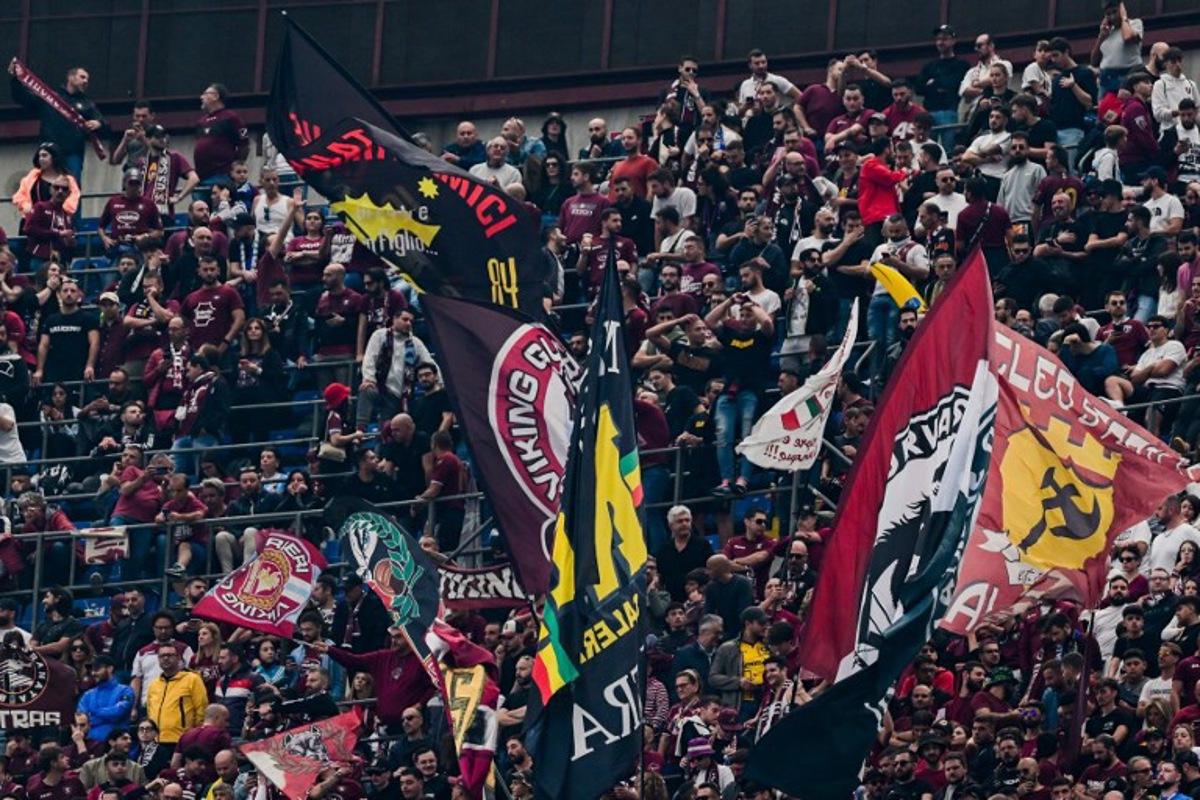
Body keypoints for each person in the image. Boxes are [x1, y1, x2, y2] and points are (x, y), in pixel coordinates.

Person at [8, 63, 106, 181]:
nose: (86, 81)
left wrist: (99, 123)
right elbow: (23, 98)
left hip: (73, 153)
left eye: (87, 79)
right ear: (70, 77)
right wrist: (15, 79)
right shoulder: (51, 97)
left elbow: (103, 123)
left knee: (72, 186)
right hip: (49, 151)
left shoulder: (87, 104)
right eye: (82, 77)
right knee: (46, 186)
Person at [194, 84, 249, 190]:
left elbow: (244, 144)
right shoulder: (201, 122)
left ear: (215, 96)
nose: (201, 97)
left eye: (205, 94)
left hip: (222, 175)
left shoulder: (231, 117)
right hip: (201, 177)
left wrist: (235, 166)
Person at [1090, 1, 1145, 98]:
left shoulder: (1135, 24)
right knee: (1104, 110)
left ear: (1122, 10)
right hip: (1106, 78)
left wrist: (1124, 18)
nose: (1112, 17)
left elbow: (1128, 37)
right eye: (1108, 14)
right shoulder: (1106, 32)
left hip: (1128, 75)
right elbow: (1094, 61)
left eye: (1115, 12)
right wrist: (1101, 37)